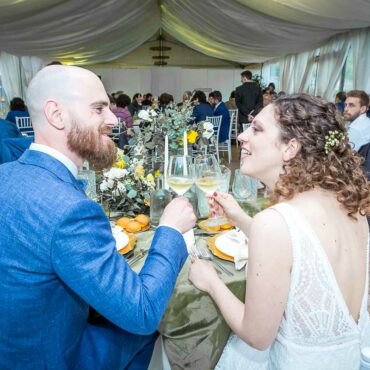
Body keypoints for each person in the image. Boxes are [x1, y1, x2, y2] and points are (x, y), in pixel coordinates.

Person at [0, 65, 196, 369]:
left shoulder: (5, 173)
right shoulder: (69, 209)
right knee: (153, 325)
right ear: (57, 114)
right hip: (51, 357)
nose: (113, 118)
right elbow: (142, 311)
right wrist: (170, 230)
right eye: (98, 108)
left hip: (16, 344)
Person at [189, 94, 370, 369]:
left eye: (257, 129)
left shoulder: (274, 222)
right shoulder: (351, 207)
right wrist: (239, 218)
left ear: (291, 148)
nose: (241, 136)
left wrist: (211, 281)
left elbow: (257, 336)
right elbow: (305, 253)